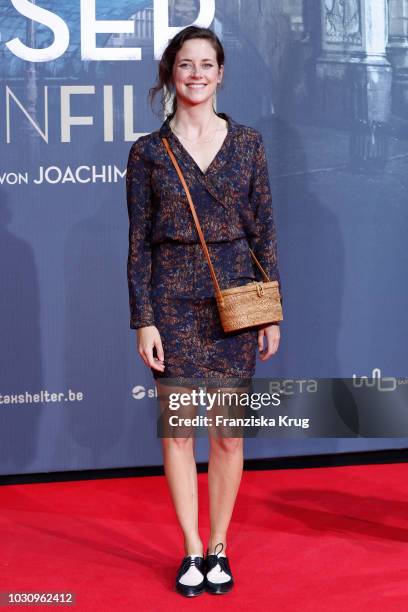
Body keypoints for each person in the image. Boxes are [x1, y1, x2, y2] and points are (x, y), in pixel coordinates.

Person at [126, 25, 282, 597]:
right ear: (171, 73)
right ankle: (190, 549)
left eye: (206, 64)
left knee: (228, 437)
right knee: (177, 435)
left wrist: (270, 310)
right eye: (185, 64)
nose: (195, 74)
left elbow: (264, 232)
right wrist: (143, 316)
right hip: (170, 301)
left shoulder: (249, 144)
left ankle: (219, 547)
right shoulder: (148, 152)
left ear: (221, 74)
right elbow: (138, 243)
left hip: (235, 300)